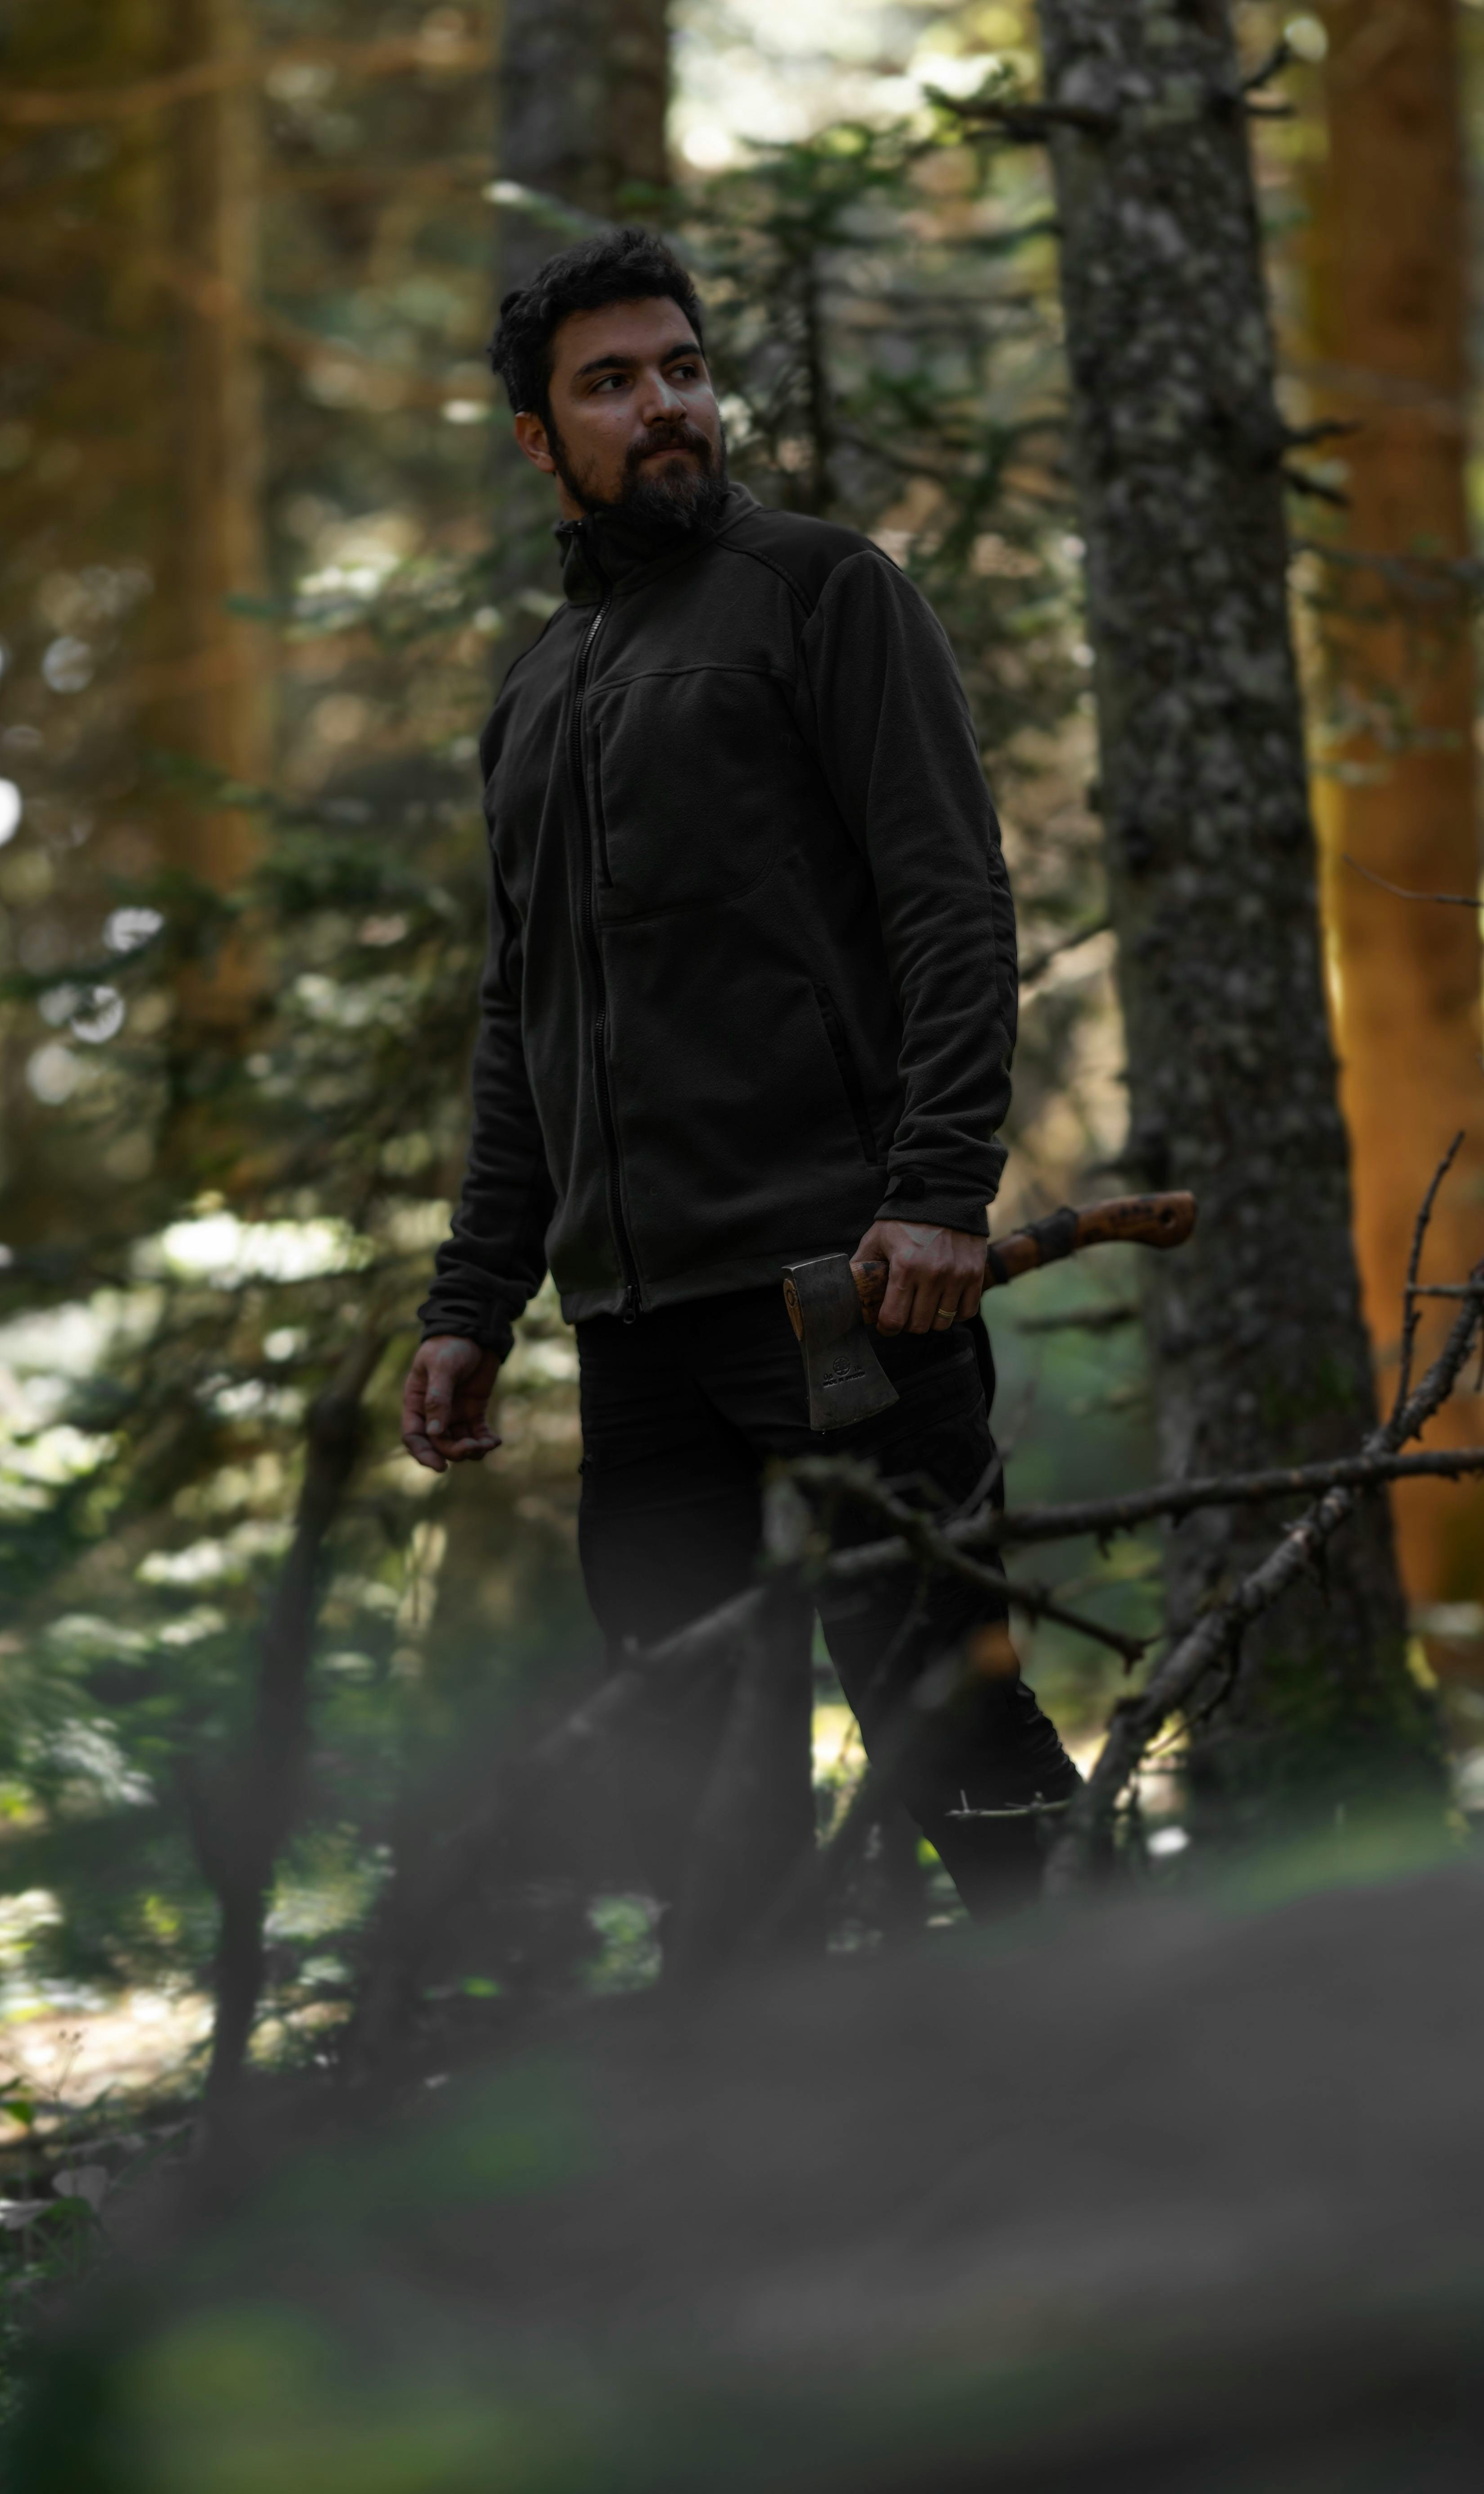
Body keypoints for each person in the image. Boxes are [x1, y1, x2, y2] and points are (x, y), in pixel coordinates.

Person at [402, 228, 1076, 1919]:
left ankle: (1142, 2082)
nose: (668, 407)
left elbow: (949, 900)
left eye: (685, 369)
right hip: (632, 1333)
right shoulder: (537, 691)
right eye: (613, 384)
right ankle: (767, 2155)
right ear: (540, 440)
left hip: (845, 1295)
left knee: (954, 1728)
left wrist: (936, 1197)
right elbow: (525, 1017)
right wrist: (476, 1299)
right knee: (690, 1792)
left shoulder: (824, 589)